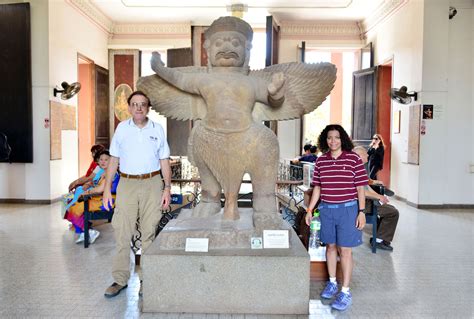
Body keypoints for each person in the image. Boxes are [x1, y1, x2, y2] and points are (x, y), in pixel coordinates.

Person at [102, 91, 171, 298]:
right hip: (126, 184)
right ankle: (120, 279)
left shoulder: (157, 129)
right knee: (122, 232)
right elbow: (113, 160)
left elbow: (164, 161)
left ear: (148, 108)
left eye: (143, 104)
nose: (139, 108)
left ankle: (146, 280)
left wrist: (167, 188)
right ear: (129, 108)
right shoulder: (122, 129)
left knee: (149, 233)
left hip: (152, 184)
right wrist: (107, 189)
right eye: (134, 104)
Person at [304, 124, 368, 311]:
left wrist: (361, 212)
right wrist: (309, 210)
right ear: (325, 140)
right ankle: (332, 282)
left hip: (348, 210)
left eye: (337, 137)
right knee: (330, 247)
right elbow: (318, 187)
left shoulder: (353, 159)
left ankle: (345, 291)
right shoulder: (321, 161)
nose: (333, 141)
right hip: (327, 210)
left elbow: (360, 188)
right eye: (330, 137)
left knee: (345, 250)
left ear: (343, 139)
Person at [64, 149, 119, 244]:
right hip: (96, 197)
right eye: (101, 159)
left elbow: (101, 189)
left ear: (111, 161)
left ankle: (87, 231)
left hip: (105, 200)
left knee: (75, 207)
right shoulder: (101, 172)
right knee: (70, 202)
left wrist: (87, 192)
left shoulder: (111, 173)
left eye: (106, 159)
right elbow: (94, 182)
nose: (103, 162)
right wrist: (88, 185)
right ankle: (84, 230)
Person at [353, 146, 399, 251]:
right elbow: (361, 191)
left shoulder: (358, 168)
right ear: (359, 156)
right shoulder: (355, 169)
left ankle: (380, 238)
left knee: (389, 208)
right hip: (360, 205)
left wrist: (379, 198)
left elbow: (366, 186)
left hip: (365, 201)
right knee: (393, 212)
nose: (368, 155)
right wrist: (379, 197)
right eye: (365, 153)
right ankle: (379, 240)